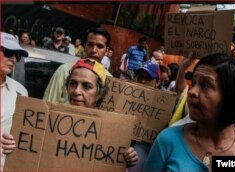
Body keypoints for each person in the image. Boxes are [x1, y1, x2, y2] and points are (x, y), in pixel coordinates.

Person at [2, 58, 138, 168]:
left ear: (99, 93)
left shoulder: (111, 133)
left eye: (86, 86)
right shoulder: (43, 122)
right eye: (73, 84)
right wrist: (11, 147)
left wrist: (125, 161)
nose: (77, 91)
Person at [144, 53, 235, 171]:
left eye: (206, 85)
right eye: (194, 83)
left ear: (233, 97)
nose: (192, 91)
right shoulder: (167, 140)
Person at [43, 27, 112, 104]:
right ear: (85, 46)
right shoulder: (64, 70)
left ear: (106, 51)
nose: (93, 50)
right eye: (90, 45)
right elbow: (48, 104)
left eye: (99, 46)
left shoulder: (109, 79)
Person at [1, 32, 29, 170]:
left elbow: (24, 133)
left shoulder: (20, 92)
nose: (13, 59)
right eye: (8, 52)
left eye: (17, 56)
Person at [128, 60, 160, 172]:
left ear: (157, 82)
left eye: (148, 78)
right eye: (140, 76)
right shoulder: (125, 95)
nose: (142, 80)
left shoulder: (163, 105)